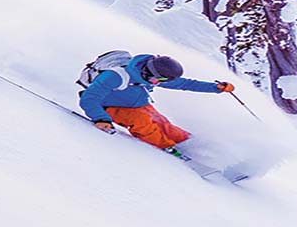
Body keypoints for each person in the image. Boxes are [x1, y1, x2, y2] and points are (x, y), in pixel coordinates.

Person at [78, 52, 234, 152]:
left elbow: (185, 84)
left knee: (163, 123)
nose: (158, 83)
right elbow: (89, 98)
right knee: (143, 123)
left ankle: (190, 144)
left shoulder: (153, 77)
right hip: (109, 107)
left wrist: (216, 88)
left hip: (137, 104)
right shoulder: (116, 76)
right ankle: (167, 147)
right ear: (149, 73)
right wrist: (100, 119)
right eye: (158, 80)